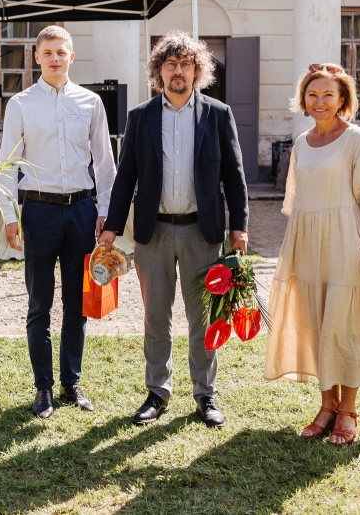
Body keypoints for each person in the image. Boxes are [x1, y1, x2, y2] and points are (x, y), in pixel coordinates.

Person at [99, 30, 249, 429]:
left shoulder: (218, 114)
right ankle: (157, 392)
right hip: (155, 232)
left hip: (204, 232)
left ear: (197, 70)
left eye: (185, 64)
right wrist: (112, 229)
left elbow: (234, 176)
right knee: (156, 317)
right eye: (170, 64)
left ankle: (205, 393)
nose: (178, 71)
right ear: (158, 72)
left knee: (204, 316)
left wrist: (240, 227)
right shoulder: (141, 117)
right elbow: (125, 177)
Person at [263, 63, 360, 445]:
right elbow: (298, 201)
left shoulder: (356, 140)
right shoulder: (301, 143)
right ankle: (326, 404)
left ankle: (349, 408)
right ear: (303, 99)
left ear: (342, 100)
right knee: (315, 322)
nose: (320, 102)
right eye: (312, 94)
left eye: (328, 95)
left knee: (347, 323)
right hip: (307, 243)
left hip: (346, 243)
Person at [0, 25, 116, 419]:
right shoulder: (21, 104)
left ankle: (72, 381)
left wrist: (105, 212)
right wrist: (9, 215)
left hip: (81, 211)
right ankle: (43, 388)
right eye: (47, 52)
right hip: (39, 211)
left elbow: (104, 163)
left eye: (61, 52)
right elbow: (7, 165)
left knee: (77, 303)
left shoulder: (91, 102)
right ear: (36, 57)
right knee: (39, 303)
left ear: (71, 56)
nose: (54, 58)